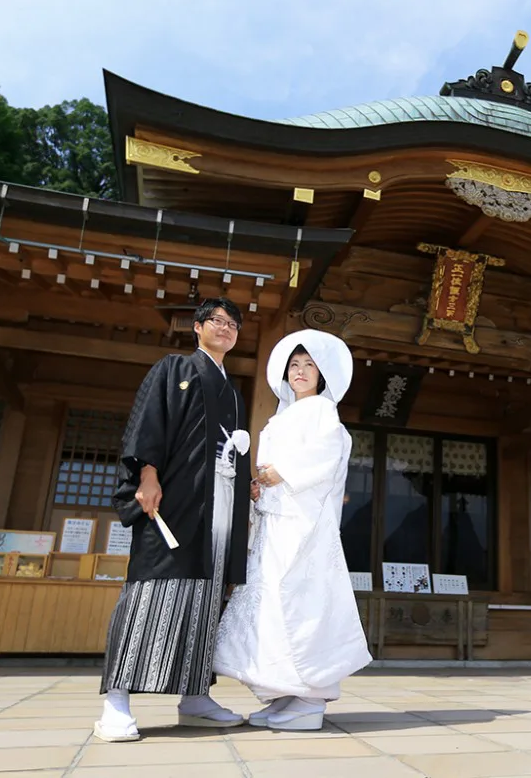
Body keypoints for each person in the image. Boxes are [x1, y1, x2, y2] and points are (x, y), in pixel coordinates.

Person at [94, 298, 252, 743]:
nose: (226, 328)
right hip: (175, 502)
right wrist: (147, 473)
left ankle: (195, 697)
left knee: (205, 598)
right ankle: (117, 701)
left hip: (218, 509)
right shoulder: (174, 369)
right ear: (198, 328)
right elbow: (150, 423)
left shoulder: (233, 391)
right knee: (151, 591)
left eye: (233, 324)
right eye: (217, 321)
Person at [213, 329, 372, 731]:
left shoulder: (323, 410)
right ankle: (283, 693)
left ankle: (309, 699)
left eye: (309, 366)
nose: (300, 372)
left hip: (303, 524)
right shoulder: (283, 414)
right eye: (295, 365)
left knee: (299, 604)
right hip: (276, 520)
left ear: (322, 374)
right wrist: (260, 484)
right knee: (270, 605)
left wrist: (279, 474)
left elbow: (324, 456)